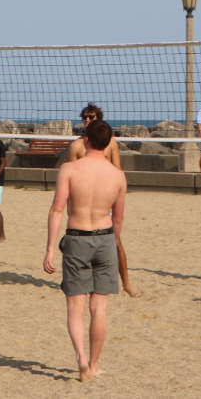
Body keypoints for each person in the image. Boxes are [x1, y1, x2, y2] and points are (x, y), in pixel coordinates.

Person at [43, 119, 126, 382]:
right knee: (99, 308)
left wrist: (49, 251)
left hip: (77, 237)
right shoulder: (118, 175)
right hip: (105, 238)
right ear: (109, 143)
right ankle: (94, 364)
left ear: (86, 140)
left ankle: (80, 357)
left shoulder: (69, 169)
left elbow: (57, 210)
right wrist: (113, 244)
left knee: (75, 307)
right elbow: (119, 219)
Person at [68, 103, 140, 298]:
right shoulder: (76, 146)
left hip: (105, 201)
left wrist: (117, 202)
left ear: (99, 119)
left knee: (115, 242)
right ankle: (84, 280)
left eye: (91, 117)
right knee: (81, 242)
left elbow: (118, 172)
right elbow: (72, 180)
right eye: (84, 117)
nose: (87, 120)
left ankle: (126, 283)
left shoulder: (111, 143)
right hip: (84, 204)